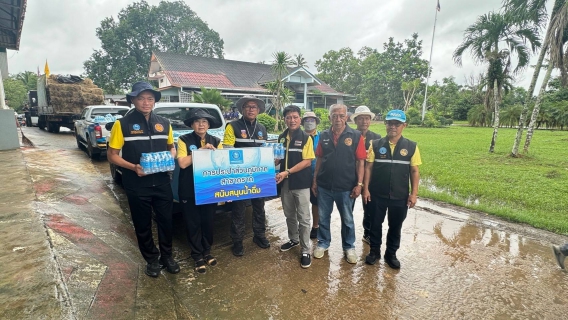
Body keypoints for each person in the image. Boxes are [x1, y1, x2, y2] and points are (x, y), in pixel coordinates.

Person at [107, 81, 180, 278]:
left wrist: (170, 156)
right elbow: (112, 155)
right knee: (142, 224)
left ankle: (167, 257)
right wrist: (133, 167)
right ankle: (152, 259)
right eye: (141, 98)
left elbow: (171, 147)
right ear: (133, 100)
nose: (146, 102)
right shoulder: (121, 125)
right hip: (137, 184)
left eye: (150, 98)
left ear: (154, 101)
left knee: (166, 221)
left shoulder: (165, 123)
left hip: (163, 182)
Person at [362, 110, 421, 269]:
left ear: (404, 126)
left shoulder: (411, 147)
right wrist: (365, 189)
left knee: (395, 226)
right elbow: (368, 168)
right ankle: (374, 251)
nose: (393, 126)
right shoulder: (375, 144)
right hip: (377, 194)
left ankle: (391, 254)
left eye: (397, 124)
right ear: (385, 124)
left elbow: (414, 171)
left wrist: (413, 194)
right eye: (390, 123)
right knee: (375, 224)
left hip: (400, 196)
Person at [311, 104, 367, 264]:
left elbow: (360, 162)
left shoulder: (355, 136)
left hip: (346, 187)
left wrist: (360, 184)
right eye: (335, 115)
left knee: (347, 219)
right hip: (324, 185)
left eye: (341, 116)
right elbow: (319, 158)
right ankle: (323, 243)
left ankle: (349, 247)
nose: (338, 119)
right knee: (323, 217)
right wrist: (315, 180)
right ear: (330, 118)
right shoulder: (323, 135)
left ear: (346, 117)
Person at [223, 95, 270, 256]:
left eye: (254, 107)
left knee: (259, 207)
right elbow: (227, 151)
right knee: (239, 209)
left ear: (258, 110)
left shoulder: (262, 128)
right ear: (242, 109)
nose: (251, 109)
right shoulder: (232, 126)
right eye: (248, 106)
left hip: (259, 176)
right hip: (240, 176)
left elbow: (265, 151)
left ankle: (259, 235)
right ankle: (237, 241)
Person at [177, 108, 223, 274]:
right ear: (191, 124)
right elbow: (182, 163)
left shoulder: (217, 141)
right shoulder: (183, 140)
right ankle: (197, 256)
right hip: (189, 188)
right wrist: (200, 152)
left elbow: (221, 164)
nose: (201, 124)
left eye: (204, 121)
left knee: (208, 222)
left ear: (209, 124)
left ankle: (207, 251)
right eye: (197, 121)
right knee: (193, 223)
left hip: (209, 188)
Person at [275, 105, 315, 268]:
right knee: (289, 214)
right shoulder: (281, 137)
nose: (292, 120)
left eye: (295, 117)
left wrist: (287, 172)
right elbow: (278, 158)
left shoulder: (306, 138)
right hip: (285, 184)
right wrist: (275, 161)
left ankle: (305, 249)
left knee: (304, 218)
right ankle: (293, 239)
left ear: (300, 119)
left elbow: (307, 161)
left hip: (301, 184)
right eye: (288, 117)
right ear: (285, 119)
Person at [351, 106, 382, 244]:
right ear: (355, 120)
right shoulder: (349, 136)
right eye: (361, 118)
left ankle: (367, 233)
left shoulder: (376, 139)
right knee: (348, 208)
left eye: (367, 118)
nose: (364, 121)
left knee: (369, 208)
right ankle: (348, 236)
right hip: (352, 177)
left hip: (370, 179)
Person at [302, 111, 320, 239]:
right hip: (301, 174)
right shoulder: (299, 136)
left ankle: (316, 226)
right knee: (301, 203)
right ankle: (303, 227)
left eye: (312, 120)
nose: (309, 123)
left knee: (316, 202)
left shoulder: (323, 136)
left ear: (316, 122)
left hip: (317, 175)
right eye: (307, 120)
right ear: (302, 123)